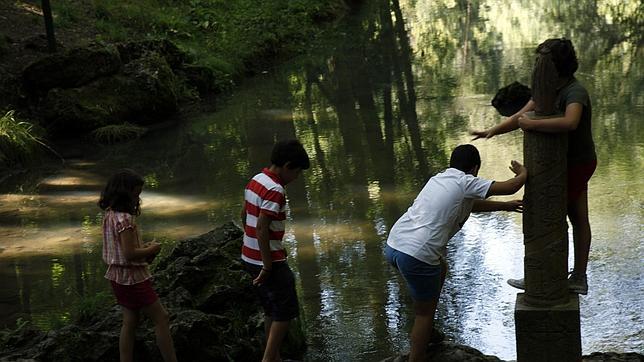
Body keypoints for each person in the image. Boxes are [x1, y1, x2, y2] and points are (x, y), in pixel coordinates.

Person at [471, 38, 596, 295]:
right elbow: (521, 116)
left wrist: (534, 125)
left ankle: (553, 277)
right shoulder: (546, 91)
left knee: (549, 214)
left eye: (542, 61)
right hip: (562, 164)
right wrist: (491, 131)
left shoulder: (575, 92)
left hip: (576, 163)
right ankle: (561, 276)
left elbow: (571, 122)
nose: (537, 65)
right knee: (573, 216)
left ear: (556, 65)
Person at [385, 144, 527, 362]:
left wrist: (504, 207)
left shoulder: (439, 179)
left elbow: (469, 205)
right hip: (417, 254)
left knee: (440, 268)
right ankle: (418, 355)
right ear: (475, 167)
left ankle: (428, 332)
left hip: (394, 245)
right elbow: (511, 186)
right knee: (424, 314)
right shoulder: (466, 181)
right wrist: (523, 172)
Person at [241, 139, 310, 362]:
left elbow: (244, 215)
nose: (297, 177)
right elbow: (262, 227)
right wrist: (268, 264)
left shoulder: (256, 180)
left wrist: (249, 240)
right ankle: (269, 358)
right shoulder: (275, 190)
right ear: (288, 166)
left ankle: (275, 357)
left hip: (249, 257)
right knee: (286, 312)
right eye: (297, 172)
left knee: (270, 309)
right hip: (269, 262)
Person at [99, 169, 177, 362]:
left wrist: (144, 248)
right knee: (161, 318)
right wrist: (152, 249)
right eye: (136, 194)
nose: (138, 199)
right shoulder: (125, 219)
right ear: (126, 194)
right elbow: (129, 253)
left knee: (130, 320)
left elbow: (122, 250)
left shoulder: (110, 215)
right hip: (132, 278)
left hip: (116, 277)